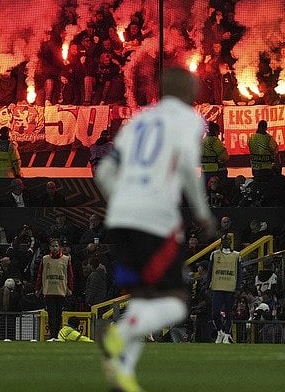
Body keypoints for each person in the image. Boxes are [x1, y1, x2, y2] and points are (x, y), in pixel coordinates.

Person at [94, 68, 217, 392]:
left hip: (121, 218)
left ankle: (122, 374)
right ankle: (117, 335)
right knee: (175, 301)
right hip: (156, 220)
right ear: (188, 92)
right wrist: (203, 214)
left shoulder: (137, 121)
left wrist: (121, 202)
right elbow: (189, 165)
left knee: (143, 299)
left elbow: (103, 170)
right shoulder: (189, 120)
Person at [36, 238, 74, 337]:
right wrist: (38, 288)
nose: (55, 248)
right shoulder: (45, 259)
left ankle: (57, 335)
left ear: (60, 247)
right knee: (51, 314)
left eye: (56, 246)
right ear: (49, 247)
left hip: (61, 290)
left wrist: (70, 288)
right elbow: (40, 274)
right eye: (53, 246)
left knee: (58, 314)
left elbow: (70, 275)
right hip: (49, 290)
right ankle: (53, 335)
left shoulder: (66, 259)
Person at [210, 234, 239, 344]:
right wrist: (208, 284)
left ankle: (227, 334)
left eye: (228, 240)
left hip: (230, 287)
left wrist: (238, 287)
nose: (226, 241)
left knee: (228, 312)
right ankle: (220, 330)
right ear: (221, 241)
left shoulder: (236, 255)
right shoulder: (215, 254)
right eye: (224, 240)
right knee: (215, 312)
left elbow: (239, 272)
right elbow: (210, 271)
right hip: (217, 286)